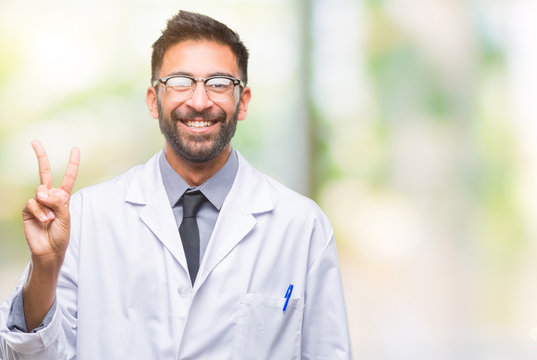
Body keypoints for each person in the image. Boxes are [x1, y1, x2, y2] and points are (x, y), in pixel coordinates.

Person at [0, 10, 351, 359]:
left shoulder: (302, 226)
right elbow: (31, 356)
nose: (199, 102)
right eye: (181, 82)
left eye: (219, 83)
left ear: (242, 102)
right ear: (154, 101)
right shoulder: (86, 217)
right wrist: (44, 268)